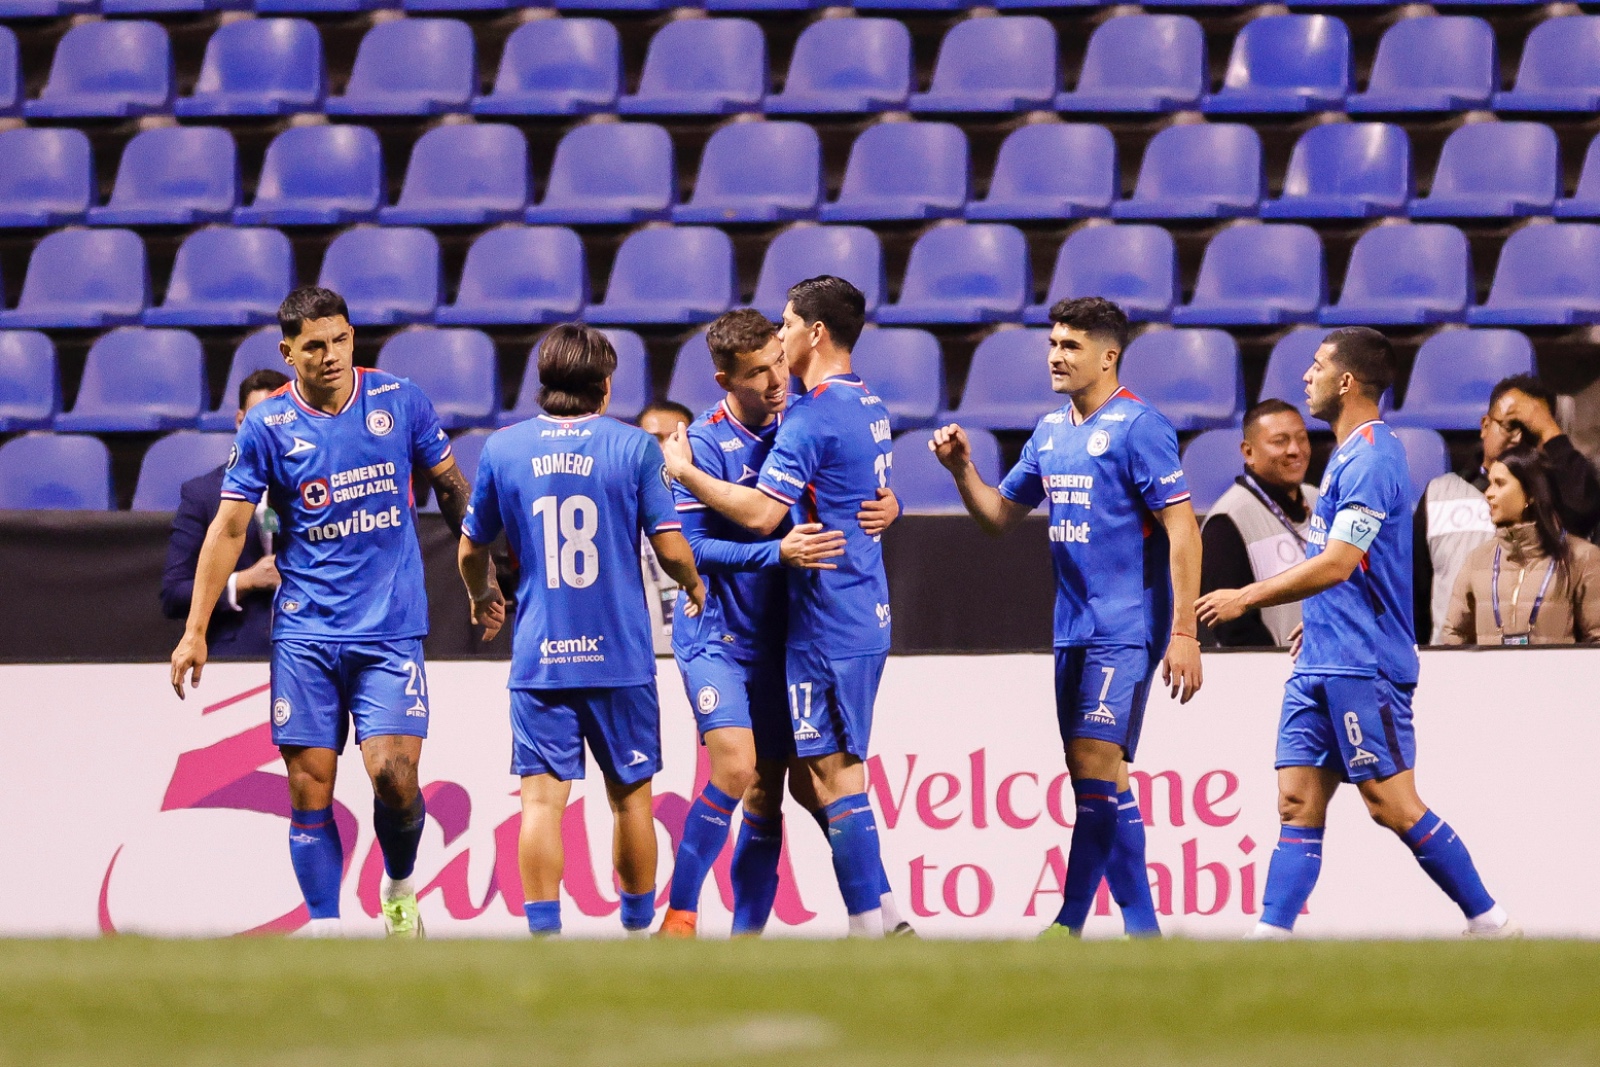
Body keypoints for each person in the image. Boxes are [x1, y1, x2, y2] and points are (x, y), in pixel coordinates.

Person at [169, 286, 478, 939]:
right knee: (310, 786)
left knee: (394, 777)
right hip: (306, 635)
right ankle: (327, 928)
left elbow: (452, 490)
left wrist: (482, 577)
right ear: (288, 352)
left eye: (340, 338)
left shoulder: (400, 401)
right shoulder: (267, 426)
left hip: (390, 629)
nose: (332, 354)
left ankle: (398, 886)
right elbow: (227, 530)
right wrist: (195, 628)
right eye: (315, 345)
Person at [1197, 326, 1518, 939]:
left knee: (1390, 804)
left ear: (1345, 381)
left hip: (1363, 665)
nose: (1305, 377)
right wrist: (1313, 622)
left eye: (1316, 366)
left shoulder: (1373, 456)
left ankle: (1491, 922)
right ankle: (1270, 937)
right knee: (1296, 801)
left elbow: (1341, 560)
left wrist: (1248, 596)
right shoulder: (1345, 455)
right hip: (1319, 657)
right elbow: (1345, 570)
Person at [929, 296, 1203, 939]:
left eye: (1071, 346)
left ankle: (1068, 923)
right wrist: (963, 470)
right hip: (1071, 627)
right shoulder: (1050, 432)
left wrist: (1184, 631)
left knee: (1092, 763)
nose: (1056, 355)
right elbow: (998, 516)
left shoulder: (1141, 427)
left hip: (1124, 627)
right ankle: (1144, 933)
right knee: (1102, 776)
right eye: (1053, 343)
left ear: (1108, 356)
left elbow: (1184, 531)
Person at [655, 308, 907, 938]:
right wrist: (776, 553)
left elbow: (850, 487)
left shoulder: (803, 421)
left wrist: (885, 503)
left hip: (782, 640)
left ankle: (750, 944)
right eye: (756, 373)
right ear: (723, 380)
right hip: (716, 635)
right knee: (739, 770)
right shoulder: (706, 445)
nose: (775, 381)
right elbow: (690, 550)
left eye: (777, 362)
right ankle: (680, 917)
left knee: (775, 792)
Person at [457, 324, 705, 938]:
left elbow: (470, 549)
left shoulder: (504, 449)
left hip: (542, 654)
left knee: (541, 804)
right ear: (604, 384)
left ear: (544, 383)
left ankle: (545, 938)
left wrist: (482, 594)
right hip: (620, 654)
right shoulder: (634, 447)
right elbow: (670, 548)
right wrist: (697, 586)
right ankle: (636, 931)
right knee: (632, 801)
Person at [1414, 374, 1600, 644]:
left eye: (1530, 430)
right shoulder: (1439, 494)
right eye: (1510, 425)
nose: (1518, 438)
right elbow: (1417, 595)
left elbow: (1585, 509)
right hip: (1456, 667)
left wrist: (1549, 431)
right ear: (1485, 425)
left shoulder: (1555, 496)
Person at [161, 369, 289, 658]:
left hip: (314, 653)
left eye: (278, 421)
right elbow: (174, 594)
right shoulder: (203, 495)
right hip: (234, 659)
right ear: (240, 421)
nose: (269, 432)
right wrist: (245, 580)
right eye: (259, 421)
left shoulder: (319, 489)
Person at [1441, 444, 1600, 646]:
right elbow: (1454, 635)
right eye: (1489, 483)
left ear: (1531, 494)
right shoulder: (1478, 560)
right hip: (1490, 678)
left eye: (1499, 483)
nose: (1488, 493)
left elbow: (1597, 641)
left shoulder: (1582, 558)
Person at [1200, 400, 1320, 648]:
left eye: (1302, 438)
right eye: (1280, 441)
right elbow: (1234, 628)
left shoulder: (1320, 499)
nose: (1295, 450)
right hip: (1275, 671)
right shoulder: (1226, 521)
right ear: (1248, 452)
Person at [637, 401, 696, 655]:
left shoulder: (714, 505)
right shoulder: (621, 504)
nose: (662, 449)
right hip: (640, 653)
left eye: (674, 438)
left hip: (698, 650)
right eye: (653, 439)